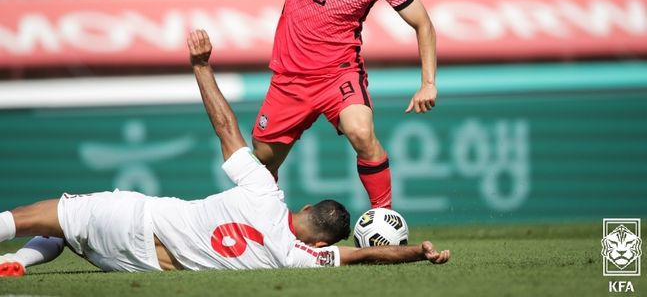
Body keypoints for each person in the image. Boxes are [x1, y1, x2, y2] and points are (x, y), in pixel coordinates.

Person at [0, 30, 450, 277]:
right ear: (322, 245)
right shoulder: (294, 258)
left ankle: (11, 245)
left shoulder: (264, 193)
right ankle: (15, 263)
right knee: (63, 236)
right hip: (138, 265)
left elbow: (226, 128)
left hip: (136, 219)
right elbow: (369, 256)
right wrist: (418, 253)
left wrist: (201, 66)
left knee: (46, 215)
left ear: (307, 207)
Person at [217, 0, 438, 209]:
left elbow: (423, 23)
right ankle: (264, 225)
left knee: (362, 133)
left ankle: (386, 218)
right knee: (262, 163)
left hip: (339, 75)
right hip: (290, 79)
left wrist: (428, 82)